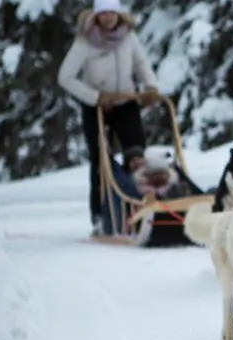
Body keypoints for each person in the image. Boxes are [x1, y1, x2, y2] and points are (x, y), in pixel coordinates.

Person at [57, 0, 160, 236]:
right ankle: (100, 216)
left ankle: (138, 208)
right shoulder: (85, 41)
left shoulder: (128, 36)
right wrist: (95, 97)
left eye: (112, 12)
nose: (108, 18)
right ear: (96, 15)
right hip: (97, 106)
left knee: (136, 155)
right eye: (102, 13)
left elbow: (141, 63)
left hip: (125, 102)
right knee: (100, 161)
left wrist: (151, 87)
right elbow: (65, 77)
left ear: (118, 13)